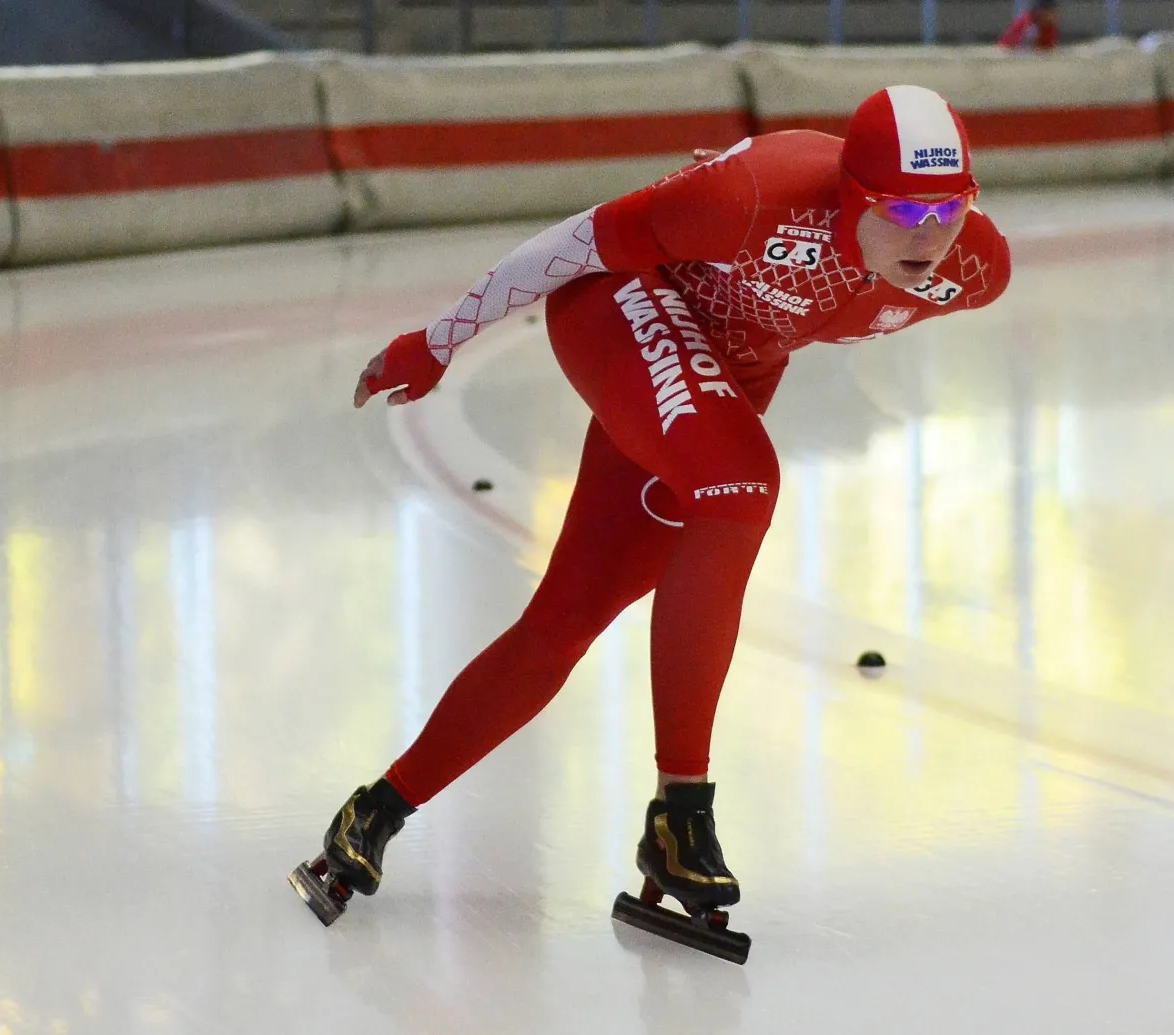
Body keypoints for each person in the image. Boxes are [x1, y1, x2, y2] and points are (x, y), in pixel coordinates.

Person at [289, 84, 1011, 958]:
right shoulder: (747, 199)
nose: (930, 235)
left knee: (568, 615)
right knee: (741, 488)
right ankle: (682, 813)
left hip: (720, 371)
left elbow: (843, 298)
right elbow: (571, 245)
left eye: (949, 206)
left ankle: (376, 808)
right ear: (851, 197)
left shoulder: (973, 269)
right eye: (903, 209)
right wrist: (437, 341)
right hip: (620, 300)